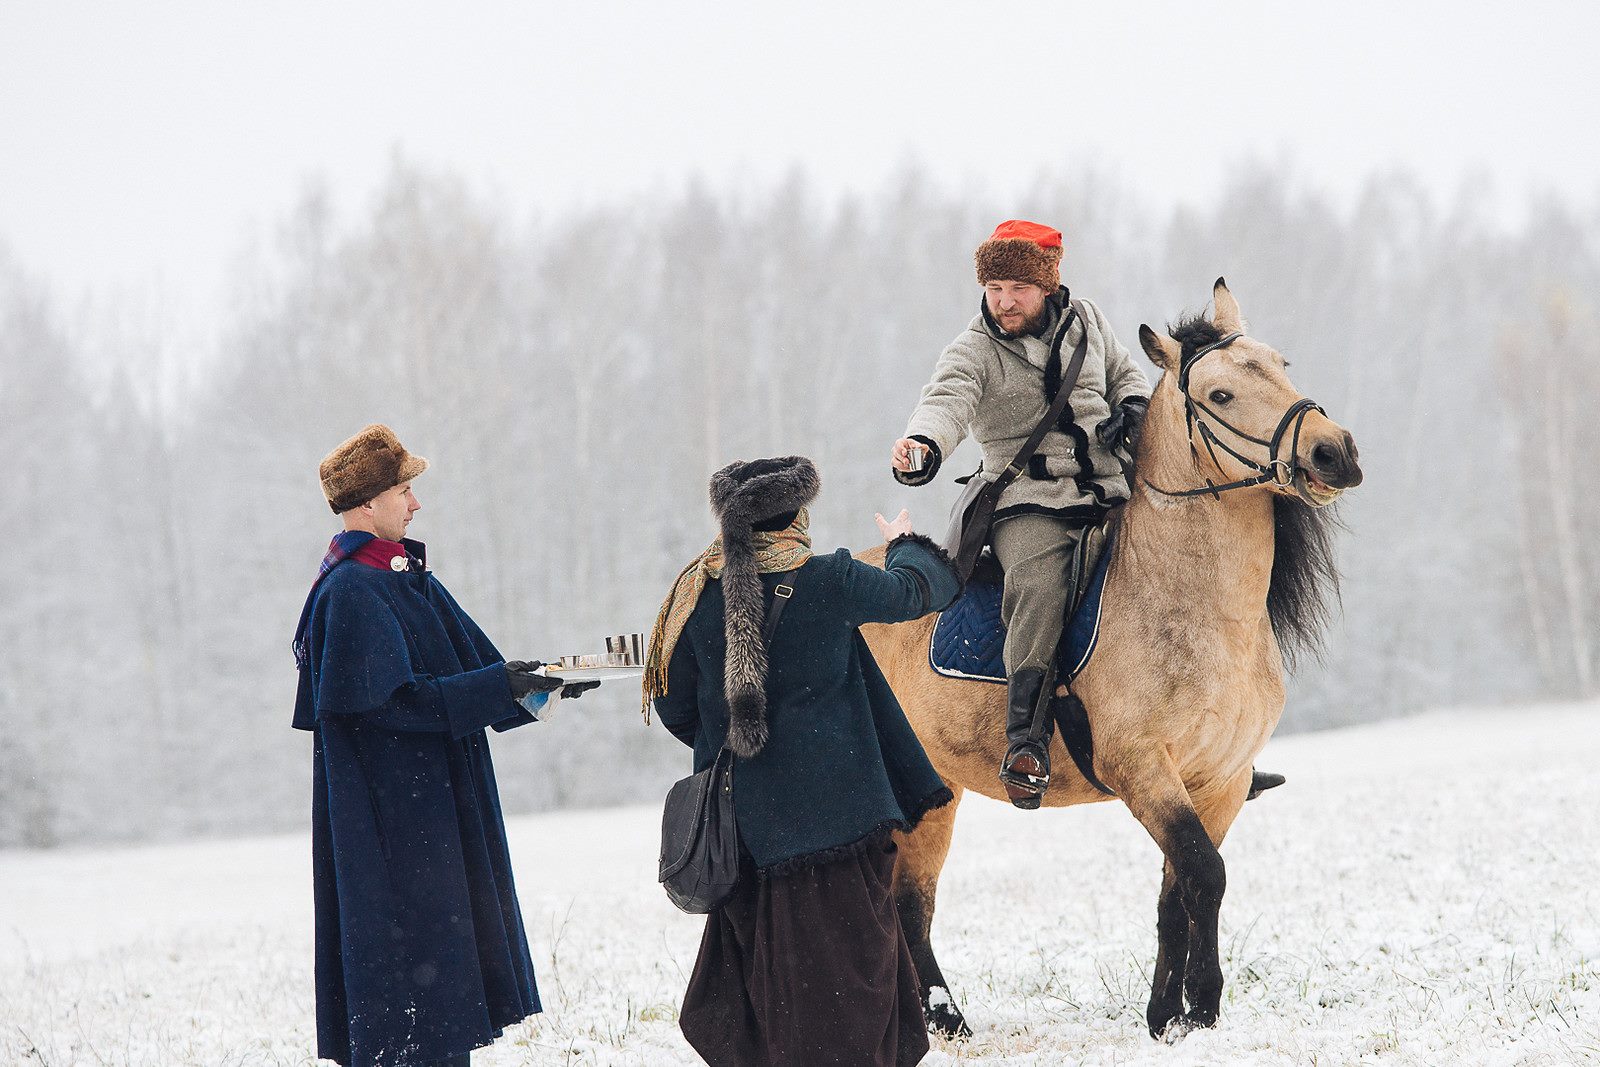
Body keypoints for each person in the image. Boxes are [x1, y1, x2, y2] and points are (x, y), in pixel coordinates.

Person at [291, 423, 594, 1067]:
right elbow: (394, 704)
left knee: (448, 966)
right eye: (405, 490)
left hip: (433, 803)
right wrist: (500, 687)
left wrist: (543, 684)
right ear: (368, 503)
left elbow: (469, 673)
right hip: (398, 820)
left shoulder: (398, 576)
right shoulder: (349, 590)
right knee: (416, 969)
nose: (416, 503)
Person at [645, 456, 962, 1067]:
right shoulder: (828, 579)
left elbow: (674, 704)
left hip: (749, 831)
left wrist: (746, 750)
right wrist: (903, 545)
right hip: (840, 818)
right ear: (798, 515)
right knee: (851, 969)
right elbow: (924, 591)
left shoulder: (693, 592)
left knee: (770, 973)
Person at [890, 220, 1151, 807]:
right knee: (1037, 586)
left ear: (1049, 284)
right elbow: (945, 402)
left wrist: (1132, 408)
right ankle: (1026, 741)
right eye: (995, 287)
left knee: (1184, 562)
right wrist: (922, 446)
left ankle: (1209, 742)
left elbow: (1124, 373)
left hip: (1112, 492)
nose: (1005, 302)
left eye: (1019, 288)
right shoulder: (973, 350)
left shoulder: (1088, 320)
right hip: (1028, 505)